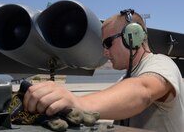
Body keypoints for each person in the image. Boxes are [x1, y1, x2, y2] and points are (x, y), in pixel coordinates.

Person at [23, 9, 184, 132]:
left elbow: (144, 90)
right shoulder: (125, 79)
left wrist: (79, 103)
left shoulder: (161, 63)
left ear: (133, 37)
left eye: (108, 43)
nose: (105, 52)